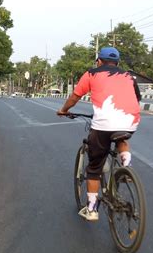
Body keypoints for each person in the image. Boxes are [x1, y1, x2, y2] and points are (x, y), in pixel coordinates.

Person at [57, 47, 141, 221]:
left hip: (103, 125)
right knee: (121, 138)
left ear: (99, 61)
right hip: (130, 121)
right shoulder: (128, 76)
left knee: (94, 169)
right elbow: (136, 98)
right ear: (117, 63)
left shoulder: (91, 74)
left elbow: (75, 96)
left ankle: (92, 209)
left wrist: (64, 110)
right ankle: (126, 167)